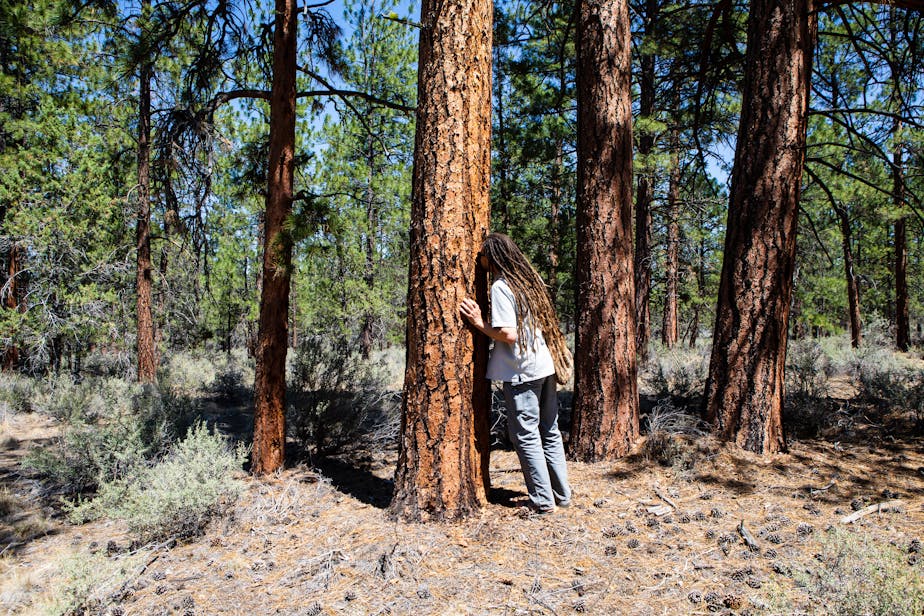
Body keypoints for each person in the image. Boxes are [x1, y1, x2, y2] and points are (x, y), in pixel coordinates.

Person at [460, 232, 572, 514]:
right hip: (544, 366)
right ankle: (561, 495)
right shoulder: (526, 283)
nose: (479, 261)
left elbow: (508, 334)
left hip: (522, 371)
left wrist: (478, 323)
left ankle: (543, 501)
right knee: (549, 431)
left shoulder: (500, 285)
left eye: (482, 256)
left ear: (492, 257)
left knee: (527, 436)